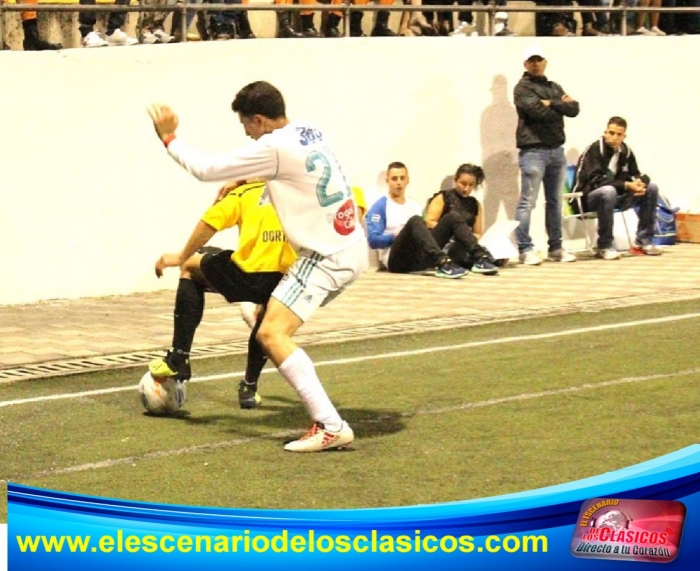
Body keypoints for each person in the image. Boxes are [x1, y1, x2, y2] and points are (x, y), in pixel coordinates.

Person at [147, 81, 368, 453]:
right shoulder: (310, 131)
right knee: (269, 322)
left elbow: (205, 169)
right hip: (350, 246)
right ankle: (260, 334)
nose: (248, 134)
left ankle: (330, 425)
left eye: (246, 125)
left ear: (260, 120)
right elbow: (290, 171)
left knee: (271, 335)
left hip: (325, 257)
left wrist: (169, 138)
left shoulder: (273, 147)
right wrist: (245, 177)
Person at [151, 180, 296, 409]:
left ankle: (179, 357)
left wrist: (180, 256)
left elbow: (211, 221)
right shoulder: (301, 188)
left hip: (249, 275)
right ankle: (249, 387)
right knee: (267, 320)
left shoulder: (245, 192)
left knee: (190, 267)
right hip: (290, 279)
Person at [513, 45, 579, 265]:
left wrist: (551, 103)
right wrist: (560, 107)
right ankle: (525, 249)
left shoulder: (553, 87)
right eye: (532, 60)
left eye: (539, 60)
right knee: (527, 203)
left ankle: (556, 248)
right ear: (525, 64)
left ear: (545, 62)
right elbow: (537, 112)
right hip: (533, 151)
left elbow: (574, 109)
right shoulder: (522, 88)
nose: (536, 64)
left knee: (555, 202)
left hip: (556, 151)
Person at [571, 116, 663, 259]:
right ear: (605, 132)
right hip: (586, 199)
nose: (614, 137)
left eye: (619, 134)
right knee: (608, 191)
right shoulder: (594, 150)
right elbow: (595, 181)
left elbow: (635, 174)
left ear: (624, 136)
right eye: (611, 133)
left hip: (615, 197)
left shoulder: (625, 151)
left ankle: (643, 241)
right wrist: (626, 185)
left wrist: (640, 183)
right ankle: (604, 246)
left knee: (651, 188)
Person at [365, 162, 468, 278]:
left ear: (407, 180)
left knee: (452, 217)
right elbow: (373, 240)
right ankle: (443, 262)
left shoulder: (414, 205)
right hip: (396, 261)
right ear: (387, 181)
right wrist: (395, 237)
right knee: (415, 220)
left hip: (418, 259)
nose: (398, 182)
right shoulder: (380, 206)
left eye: (402, 178)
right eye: (394, 179)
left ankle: (480, 257)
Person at [424, 164, 499, 275]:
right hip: (443, 241)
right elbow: (429, 222)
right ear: (455, 180)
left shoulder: (475, 204)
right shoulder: (444, 197)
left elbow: (478, 232)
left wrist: (465, 237)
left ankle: (482, 260)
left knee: (497, 252)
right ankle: (477, 259)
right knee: (454, 221)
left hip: (462, 243)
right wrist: (454, 233)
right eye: (463, 183)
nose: (466, 188)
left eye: (471, 185)